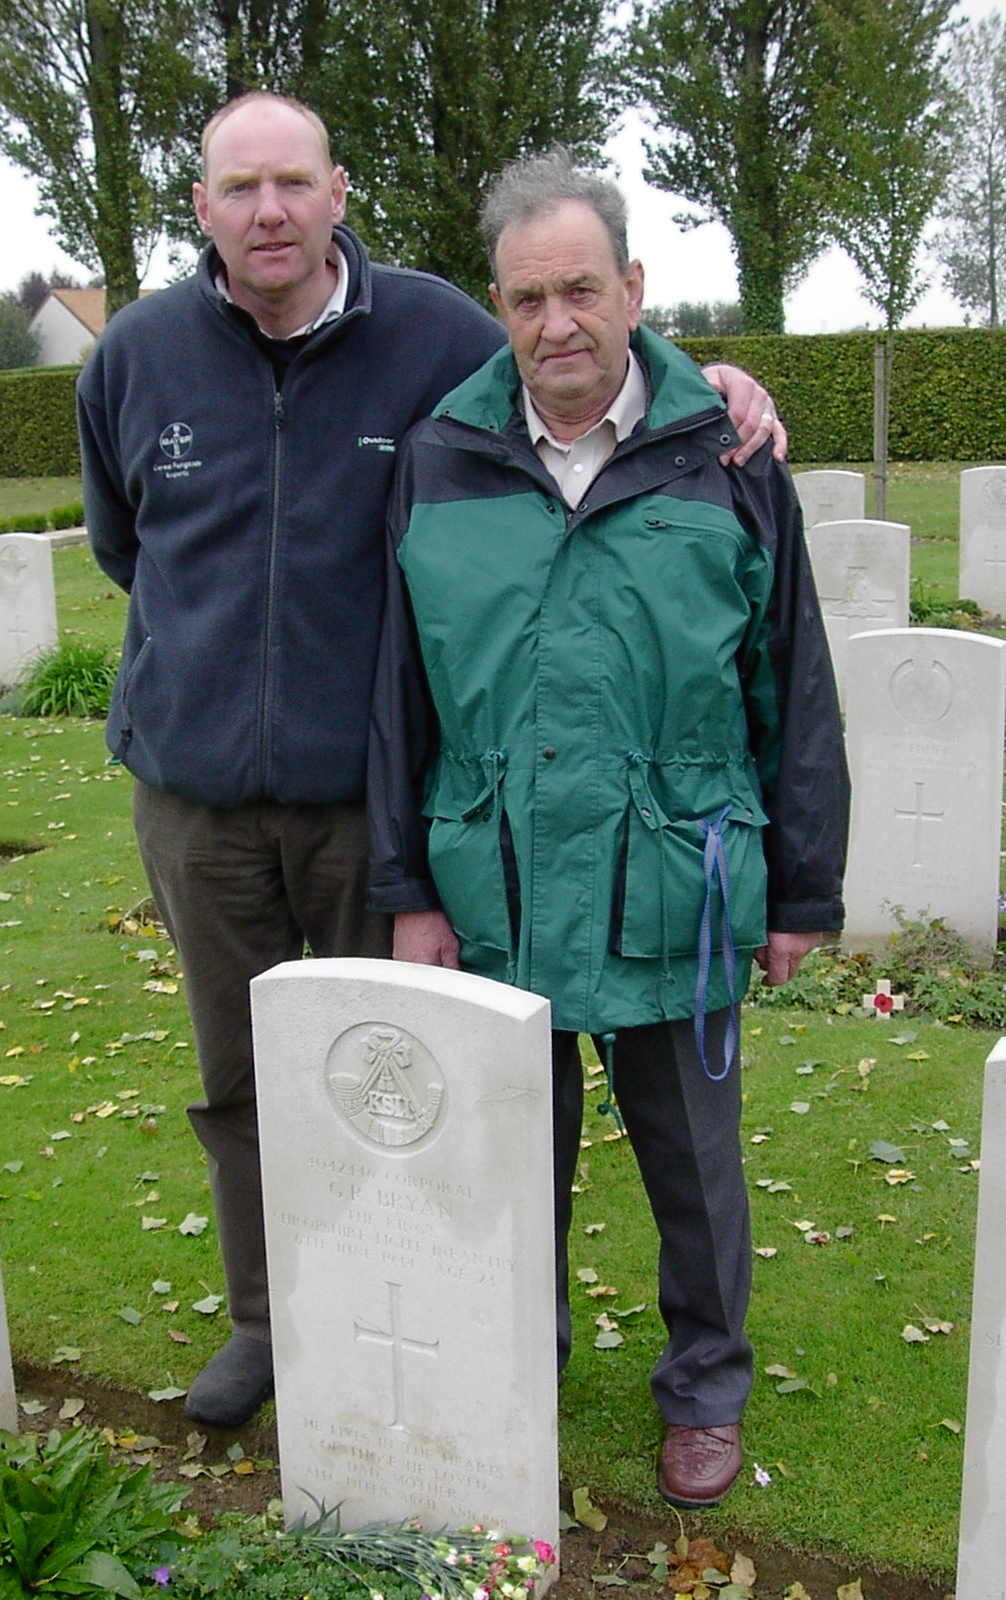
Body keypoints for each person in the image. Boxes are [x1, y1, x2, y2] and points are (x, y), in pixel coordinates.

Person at [76, 93, 788, 1432]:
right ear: (204, 209)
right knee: (238, 1084)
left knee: (388, 1088)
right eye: (240, 188)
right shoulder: (133, 359)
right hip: (198, 800)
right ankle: (270, 1324)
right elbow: (126, 550)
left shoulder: (434, 333)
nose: (269, 211)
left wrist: (726, 390)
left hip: (371, 804)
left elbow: (575, 342)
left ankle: (392, 1319)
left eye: (294, 180)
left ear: (339, 190)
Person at [367, 147, 849, 1511]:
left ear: (635, 288)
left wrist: (800, 892)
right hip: (494, 872)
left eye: (583, 288)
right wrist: (409, 884)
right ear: (499, 307)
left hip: (673, 876)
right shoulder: (441, 459)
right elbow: (399, 694)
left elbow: (790, 681)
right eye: (527, 298)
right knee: (508, 1154)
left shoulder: (728, 452)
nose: (557, 324)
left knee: (693, 1163)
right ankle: (518, 1355)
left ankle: (706, 1385)